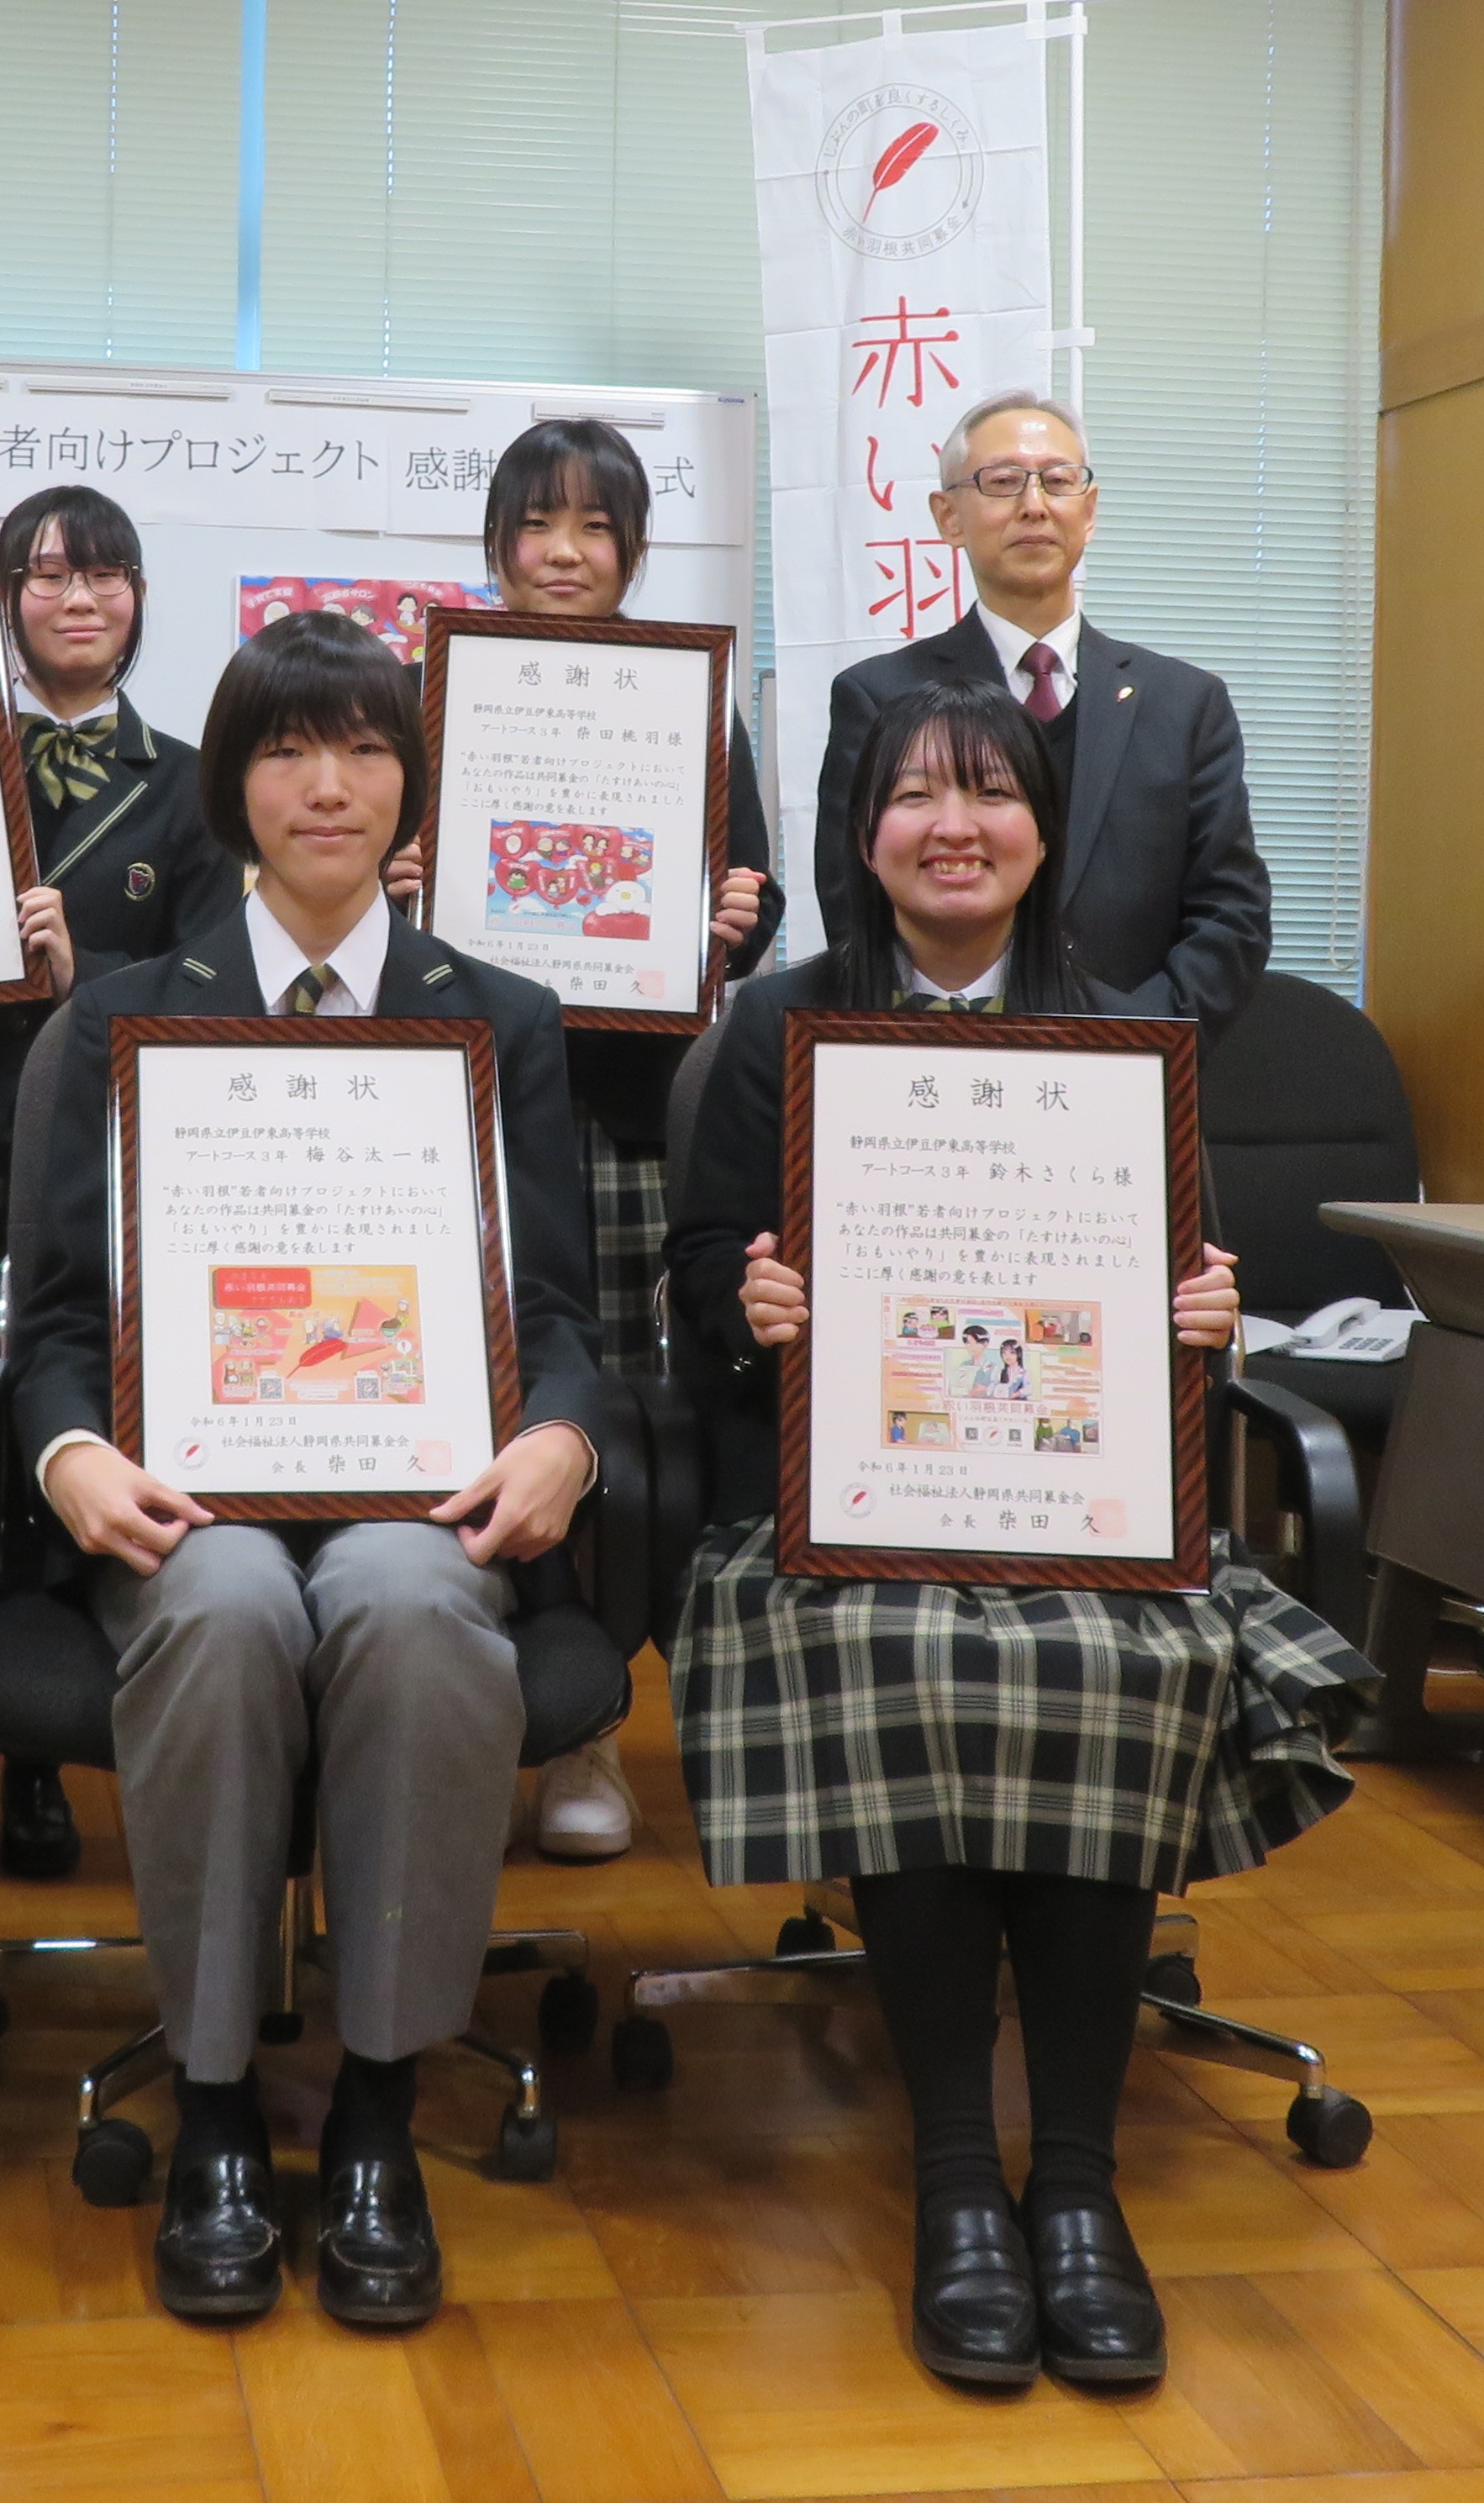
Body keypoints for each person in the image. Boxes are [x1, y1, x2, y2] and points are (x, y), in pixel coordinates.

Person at [667, 677, 1366, 2390]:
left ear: (1044, 833)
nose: (952, 825)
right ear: (862, 835)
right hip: (845, 1510)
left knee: (1111, 1658)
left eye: (990, 792)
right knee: (910, 1648)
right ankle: (955, 2178)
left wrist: (1206, 1317)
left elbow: (1178, 1292)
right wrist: (749, 1303)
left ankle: (1074, 2183)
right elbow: (695, 1278)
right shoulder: (780, 1025)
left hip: (1076, 1505)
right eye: (913, 794)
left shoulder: (1122, 1037)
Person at [14, 613, 607, 2331]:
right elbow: (55, 1320)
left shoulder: (501, 1018)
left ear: (411, 781)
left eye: (361, 746)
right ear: (231, 786)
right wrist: (68, 1452)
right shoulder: (128, 1017)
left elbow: (560, 1313)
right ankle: (209, 2106)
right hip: (184, 1498)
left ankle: (376, 2108)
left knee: (409, 1602)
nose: (326, 784)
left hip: (422, 1496)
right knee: (219, 1603)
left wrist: (562, 1435)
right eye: (285, 749)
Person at [385, 417, 783, 1863]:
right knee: (440, 1402)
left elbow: (749, 901)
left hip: (615, 1116)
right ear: (497, 541)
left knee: (595, 1417)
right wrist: (394, 882)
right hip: (443, 1116)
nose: (564, 553)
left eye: (596, 526)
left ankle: (585, 1726)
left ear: (632, 548)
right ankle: (434, 1703)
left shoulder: (692, 698)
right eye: (539, 524)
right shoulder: (421, 694)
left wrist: (736, 920)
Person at [0, 484, 239, 1888]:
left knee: (55, 1448)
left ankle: (32, 1750)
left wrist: (80, 978)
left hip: (95, 1171)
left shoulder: (198, 782)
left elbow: (215, 993)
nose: (77, 596)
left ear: (141, 596)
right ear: (4, 596)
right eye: (45, 574)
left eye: (105, 573)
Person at [811, 388, 1270, 1036]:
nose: (1034, 505)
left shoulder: (1186, 704)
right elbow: (853, 906)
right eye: (1002, 482)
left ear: (1090, 510)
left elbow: (1231, 914)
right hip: (936, 1060)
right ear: (948, 517)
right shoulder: (881, 695)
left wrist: (1133, 1046)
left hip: (1137, 1067)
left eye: (1058, 481)